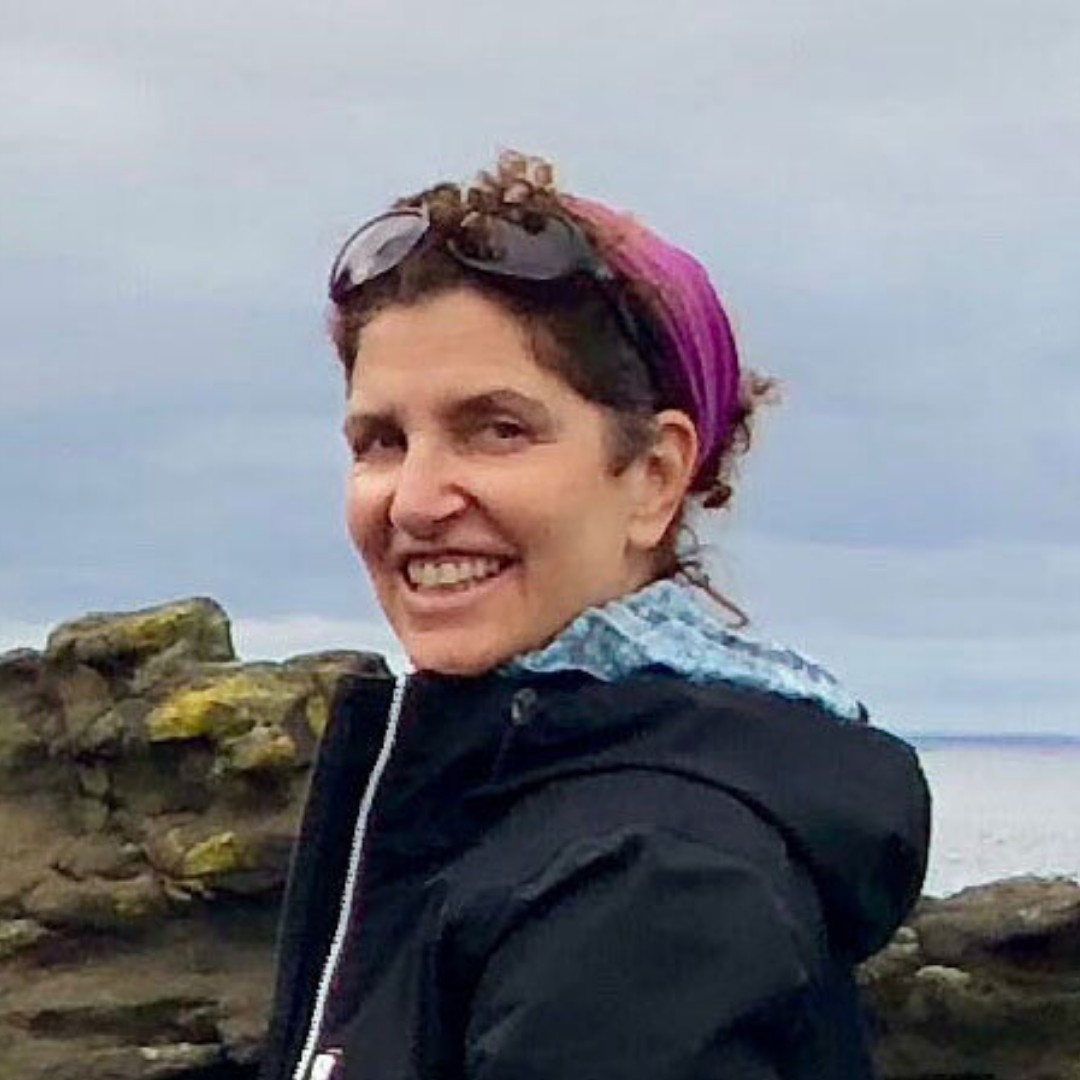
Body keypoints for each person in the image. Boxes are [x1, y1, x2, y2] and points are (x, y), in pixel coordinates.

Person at [258, 150, 930, 1080]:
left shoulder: (653, 880)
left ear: (655, 476)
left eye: (496, 430)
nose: (414, 500)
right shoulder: (489, 804)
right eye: (382, 441)